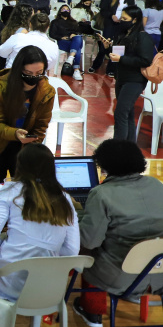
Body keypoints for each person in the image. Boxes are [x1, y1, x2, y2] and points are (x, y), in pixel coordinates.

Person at [0, 144, 79, 327]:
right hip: (48, 287)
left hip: (8, 283)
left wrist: (6, 248)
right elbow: (72, 250)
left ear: (20, 166)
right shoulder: (65, 199)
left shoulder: (11, 192)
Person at [72, 139, 163, 327]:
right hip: (159, 273)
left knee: (88, 254)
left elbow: (89, 241)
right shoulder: (157, 185)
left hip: (120, 277)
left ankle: (92, 313)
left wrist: (78, 215)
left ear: (104, 165)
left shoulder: (102, 194)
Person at [0, 46, 55, 182]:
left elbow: (41, 125)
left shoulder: (47, 92)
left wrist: (32, 145)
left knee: (23, 189)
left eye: (39, 73)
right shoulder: (0, 87)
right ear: (19, 69)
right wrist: (15, 134)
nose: (33, 77)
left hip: (24, 147)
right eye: (28, 73)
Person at [98, 5, 155, 142]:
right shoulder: (123, 35)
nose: (121, 20)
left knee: (120, 112)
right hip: (121, 78)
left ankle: (119, 147)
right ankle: (130, 146)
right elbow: (117, 56)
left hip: (135, 80)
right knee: (128, 113)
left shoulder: (143, 37)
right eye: (121, 18)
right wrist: (108, 48)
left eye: (125, 18)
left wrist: (122, 59)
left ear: (134, 20)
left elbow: (146, 60)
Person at [90, 0, 136, 77]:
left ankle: (111, 69)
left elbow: (132, 12)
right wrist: (112, 16)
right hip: (110, 23)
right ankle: (95, 65)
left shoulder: (130, 0)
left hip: (122, 25)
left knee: (117, 47)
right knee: (105, 45)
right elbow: (103, 11)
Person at [50, 5, 86, 80]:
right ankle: (76, 70)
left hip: (73, 41)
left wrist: (74, 34)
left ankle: (71, 58)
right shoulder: (55, 22)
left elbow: (78, 31)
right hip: (62, 42)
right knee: (78, 48)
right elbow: (52, 34)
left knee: (78, 38)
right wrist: (61, 37)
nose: (66, 11)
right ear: (60, 11)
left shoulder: (73, 22)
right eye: (63, 9)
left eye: (67, 10)